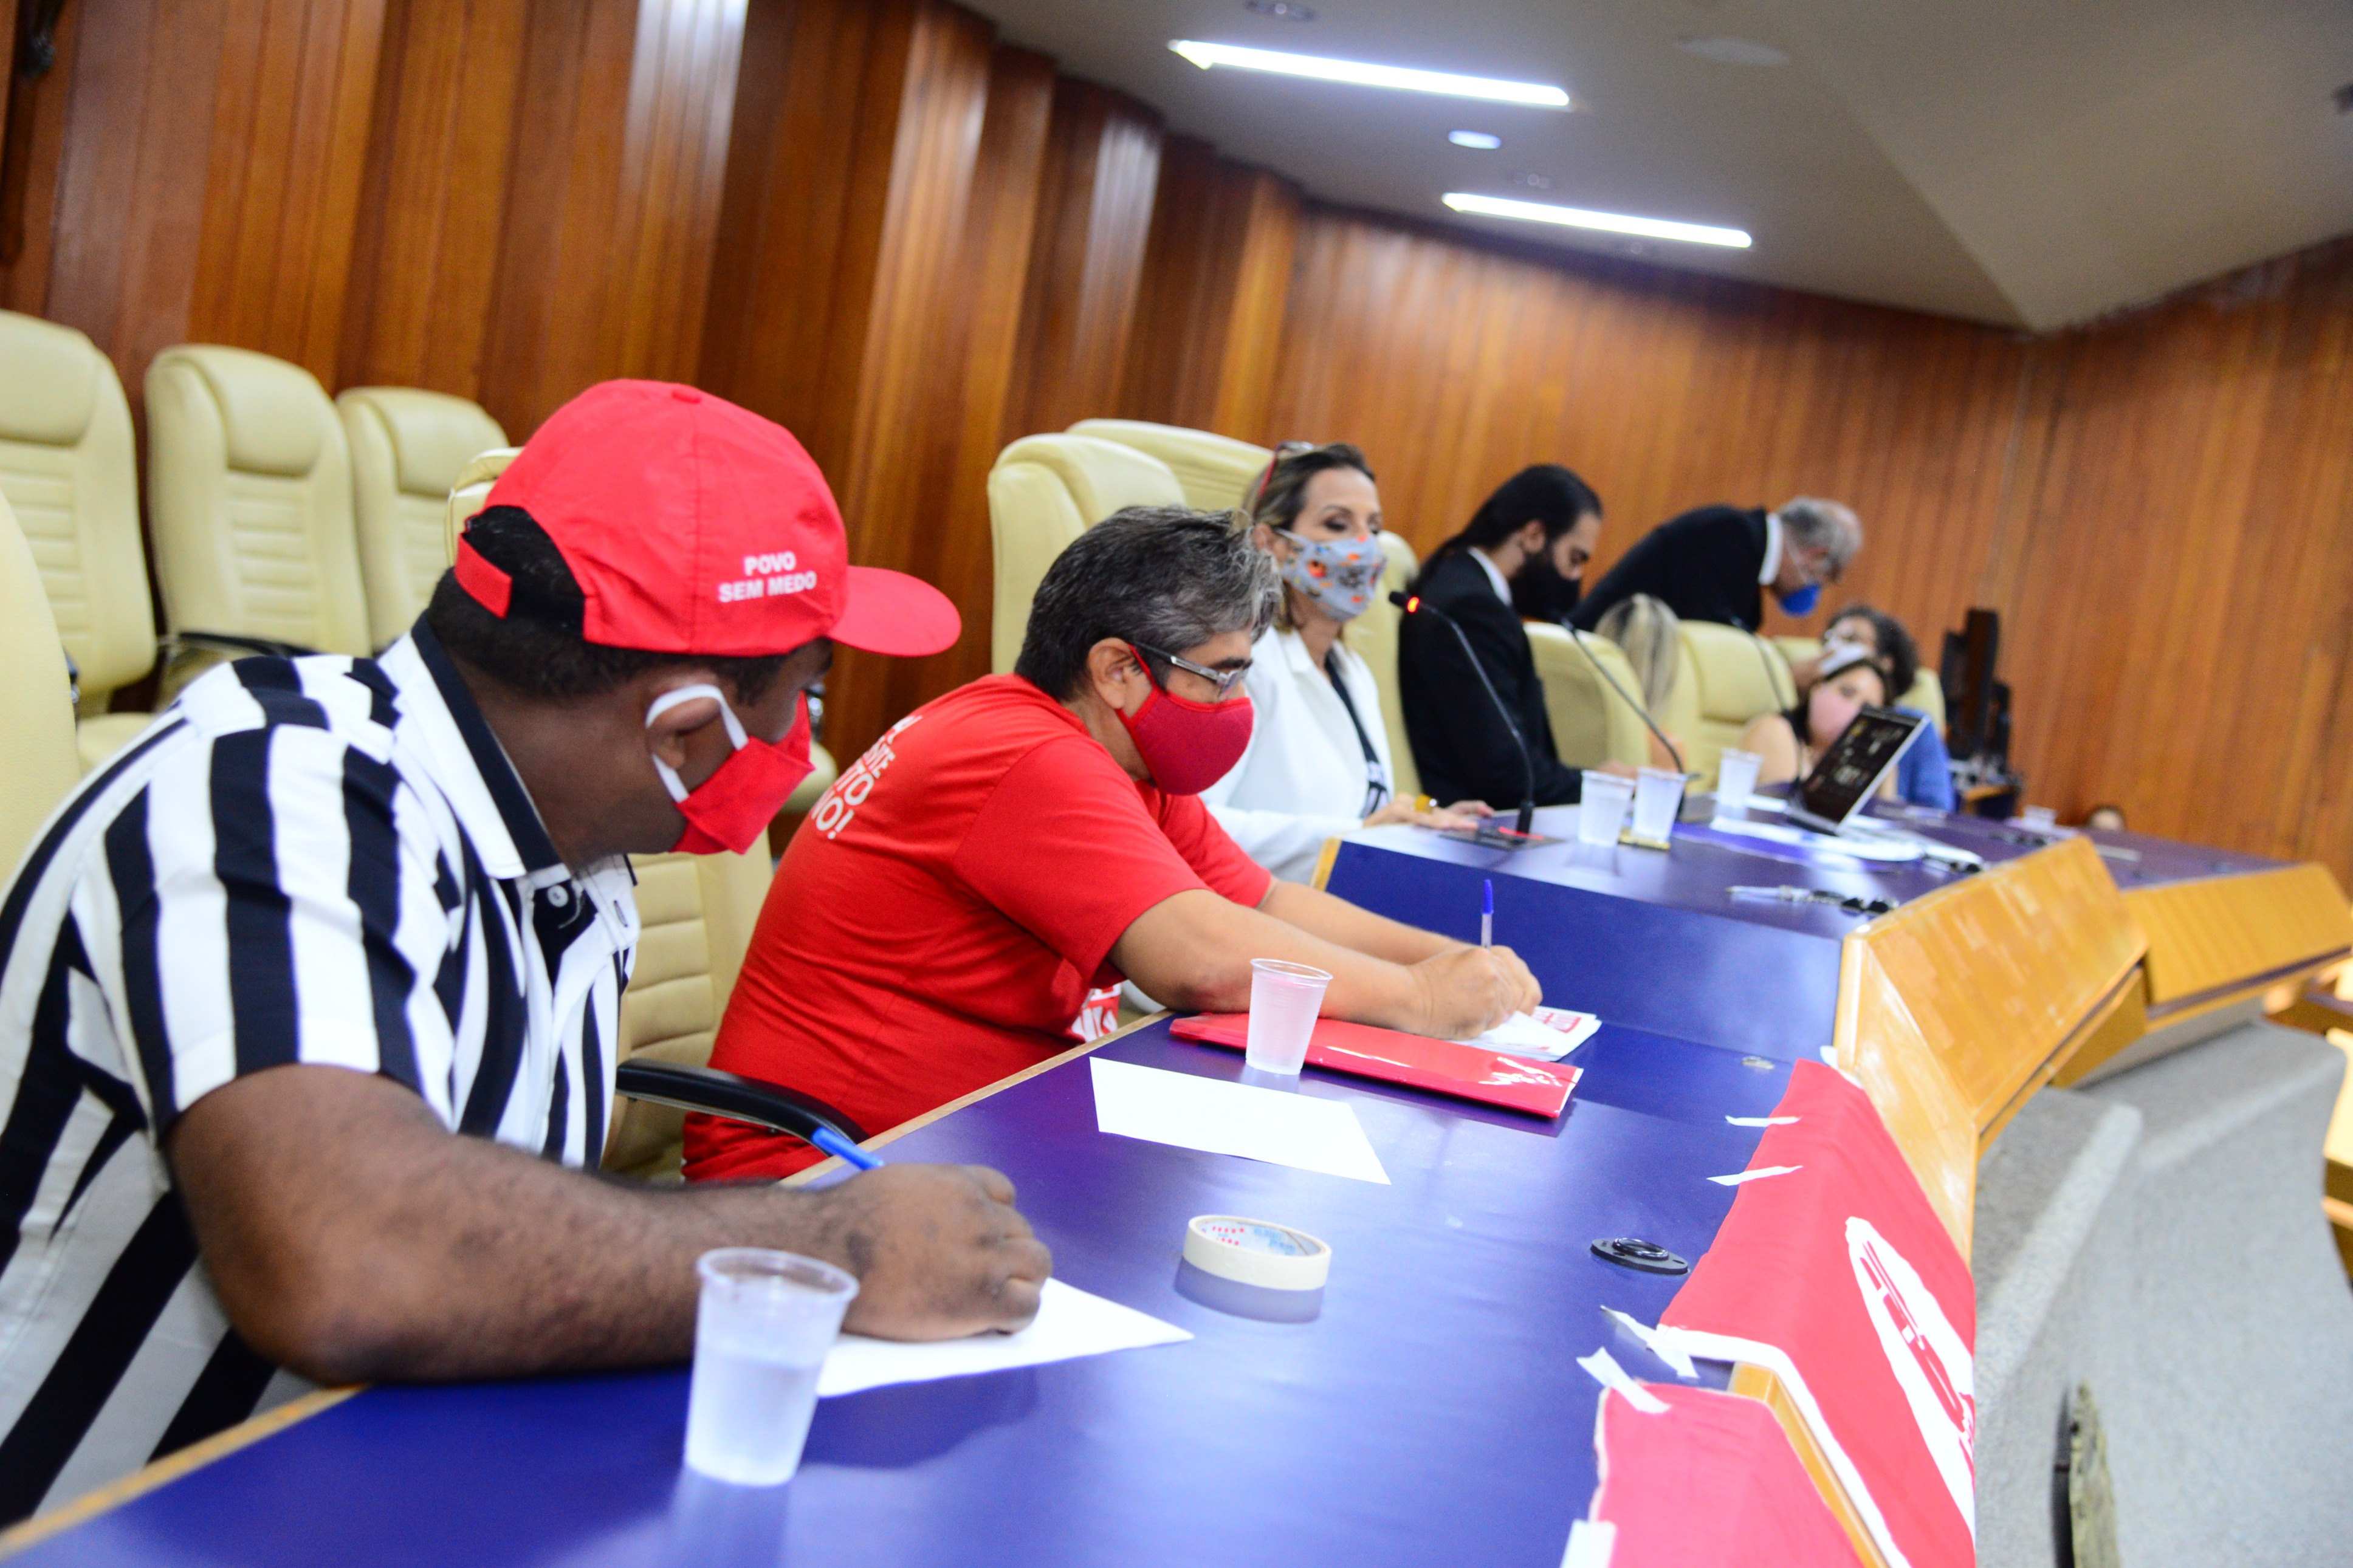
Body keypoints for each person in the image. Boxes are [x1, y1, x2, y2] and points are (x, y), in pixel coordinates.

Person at [0, 382, 1054, 1525]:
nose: (803, 742)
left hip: (372, 1488)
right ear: (683, 729)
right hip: (95, 1520)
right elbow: (353, 1259)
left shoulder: (578, 856)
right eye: (804, 695)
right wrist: (835, 1248)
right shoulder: (264, 789)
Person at [688, 507, 1541, 1182]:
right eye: (1222, 676)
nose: (1237, 703)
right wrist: (1419, 999)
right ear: (1119, 669)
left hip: (958, 1141)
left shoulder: (1124, 757)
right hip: (818, 1167)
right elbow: (1200, 961)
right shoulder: (1026, 757)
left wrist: (1452, 962)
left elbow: (1265, 903)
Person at [1202, 442, 1483, 882]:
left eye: (1373, 528)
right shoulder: (1241, 665)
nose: (1365, 547)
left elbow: (1362, 810)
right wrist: (1353, 838)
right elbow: (1194, 826)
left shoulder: (1352, 670)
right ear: (1270, 543)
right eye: (1338, 524)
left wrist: (1424, 822)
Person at [1396, 466, 1607, 810]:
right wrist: (1605, 788)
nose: (1575, 577)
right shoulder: (1473, 609)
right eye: (1575, 558)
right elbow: (1507, 773)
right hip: (1466, 825)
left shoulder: (1462, 585)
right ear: (1534, 535)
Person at [1569, 497, 1862, 648]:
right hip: (1593, 655)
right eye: (1828, 579)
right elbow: (1703, 634)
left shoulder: (1747, 547)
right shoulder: (1730, 532)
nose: (1818, 590)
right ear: (1815, 556)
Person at [1821, 603, 1954, 812]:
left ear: (1886, 662)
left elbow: (1936, 810)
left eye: (1852, 640)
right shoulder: (1812, 714)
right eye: (1830, 639)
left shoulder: (1916, 727)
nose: (1836, 648)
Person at [1737, 643, 1896, 791]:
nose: (1853, 710)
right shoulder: (1774, 729)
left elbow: (1884, 808)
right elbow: (1793, 807)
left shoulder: (1853, 763)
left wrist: (1883, 765)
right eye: (1846, 693)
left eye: (1867, 708)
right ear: (1818, 688)